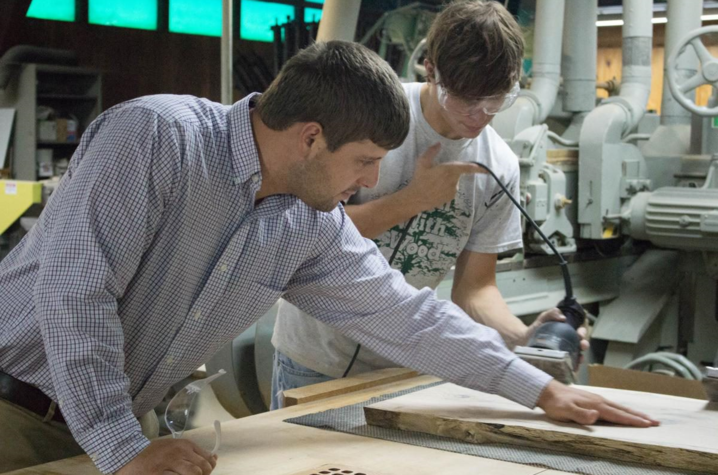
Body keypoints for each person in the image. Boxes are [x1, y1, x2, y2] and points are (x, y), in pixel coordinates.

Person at [0, 40, 655, 475]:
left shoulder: (307, 221)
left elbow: (407, 314)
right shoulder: (155, 139)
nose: (371, 181)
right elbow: (75, 294)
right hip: (15, 411)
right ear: (311, 138)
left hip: (104, 422)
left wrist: (537, 387)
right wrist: (121, 444)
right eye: (366, 161)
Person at [271, 0, 586, 406]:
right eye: (464, 100)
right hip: (315, 357)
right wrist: (412, 200)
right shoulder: (371, 120)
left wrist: (520, 336)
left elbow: (475, 290)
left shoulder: (499, 166)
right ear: (430, 69)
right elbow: (303, 233)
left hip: (409, 362)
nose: (478, 116)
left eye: (495, 101)